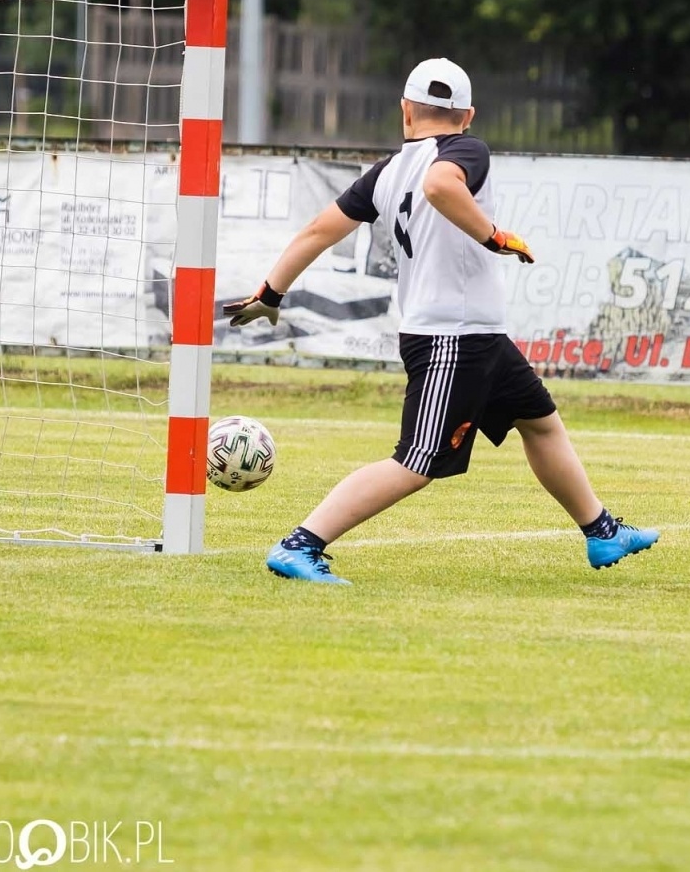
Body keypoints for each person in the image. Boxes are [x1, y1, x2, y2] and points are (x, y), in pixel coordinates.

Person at [223, 57, 659, 584]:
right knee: (415, 463)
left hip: (477, 334)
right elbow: (441, 186)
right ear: (468, 114)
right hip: (450, 336)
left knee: (540, 424)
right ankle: (300, 544)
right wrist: (497, 238)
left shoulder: (386, 171)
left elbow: (319, 230)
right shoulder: (464, 149)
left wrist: (271, 293)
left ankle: (601, 531)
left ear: (405, 111)